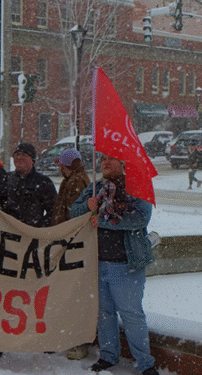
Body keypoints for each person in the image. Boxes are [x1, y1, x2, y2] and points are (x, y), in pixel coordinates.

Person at [71, 154, 159, 375]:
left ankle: (145, 363)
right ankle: (109, 356)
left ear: (123, 163)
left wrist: (101, 220)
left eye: (111, 159)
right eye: (103, 159)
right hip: (98, 262)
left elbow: (140, 218)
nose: (105, 163)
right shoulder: (95, 188)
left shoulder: (136, 188)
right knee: (104, 313)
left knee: (131, 315)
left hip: (126, 264)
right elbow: (74, 212)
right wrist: (87, 206)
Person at [50, 148, 92, 360]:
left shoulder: (75, 183)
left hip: (71, 245)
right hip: (71, 244)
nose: (60, 169)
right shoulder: (77, 179)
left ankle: (78, 342)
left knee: (72, 296)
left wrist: (61, 237)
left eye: (63, 165)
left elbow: (71, 215)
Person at [0, 143, 56, 228]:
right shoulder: (5, 179)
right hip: (7, 233)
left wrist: (38, 228)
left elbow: (53, 211)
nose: (19, 157)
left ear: (32, 160)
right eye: (17, 154)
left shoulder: (43, 182)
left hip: (30, 236)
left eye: (24, 154)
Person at [52, 148, 91, 227]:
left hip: (69, 233)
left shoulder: (74, 183)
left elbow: (73, 213)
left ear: (62, 166)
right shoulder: (82, 177)